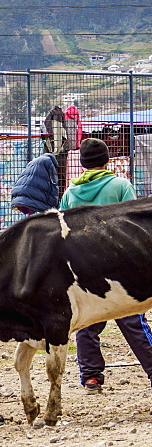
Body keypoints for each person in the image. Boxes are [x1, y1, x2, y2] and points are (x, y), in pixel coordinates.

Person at [61, 138, 152, 394]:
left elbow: (63, 232)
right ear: (106, 160)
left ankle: (91, 378)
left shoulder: (70, 193)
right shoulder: (121, 185)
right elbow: (137, 224)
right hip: (120, 265)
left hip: (85, 267)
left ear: (82, 163)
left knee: (88, 323)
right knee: (133, 320)